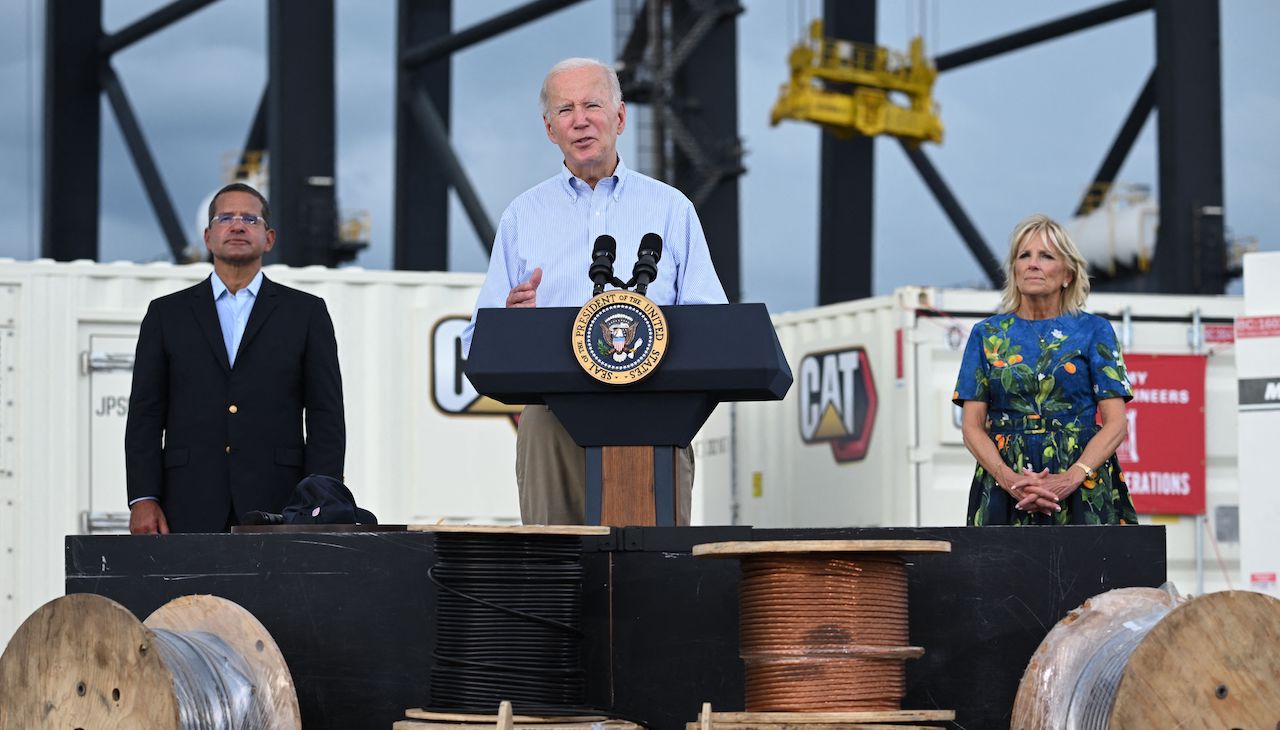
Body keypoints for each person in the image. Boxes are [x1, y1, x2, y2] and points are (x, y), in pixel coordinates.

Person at [461, 57, 727, 526]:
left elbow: (713, 325)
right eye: (565, 110)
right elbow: (475, 341)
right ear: (550, 129)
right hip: (552, 418)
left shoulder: (672, 209)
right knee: (555, 574)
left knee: (656, 577)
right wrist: (509, 323)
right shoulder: (522, 216)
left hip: (657, 414)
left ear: (620, 117)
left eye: (592, 105)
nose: (580, 120)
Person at [125, 182, 346, 534]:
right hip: (185, 501)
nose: (238, 225)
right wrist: (143, 498)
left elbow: (325, 415)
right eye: (225, 217)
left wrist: (322, 499)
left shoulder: (306, 313)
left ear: (269, 238)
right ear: (208, 236)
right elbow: (145, 416)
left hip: (282, 503)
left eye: (250, 219)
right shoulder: (166, 315)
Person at [952, 213, 1138, 526]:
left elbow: (1116, 423)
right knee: (999, 572)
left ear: (1067, 274)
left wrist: (1073, 477)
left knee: (1094, 574)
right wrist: (1009, 479)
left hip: (1083, 484)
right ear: (1014, 269)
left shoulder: (1095, 330)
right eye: (1024, 255)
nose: (1032, 264)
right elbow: (972, 426)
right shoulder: (987, 334)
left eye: (1046, 256)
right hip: (1006, 486)